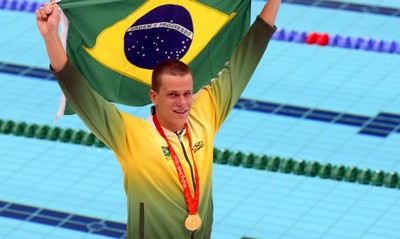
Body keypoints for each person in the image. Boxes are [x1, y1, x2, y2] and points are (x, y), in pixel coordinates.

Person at [36, 0, 281, 238]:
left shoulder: (206, 114)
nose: (183, 103)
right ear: (154, 96)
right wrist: (51, 36)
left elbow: (247, 57)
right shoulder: (130, 136)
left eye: (187, 93)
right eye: (173, 95)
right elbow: (80, 93)